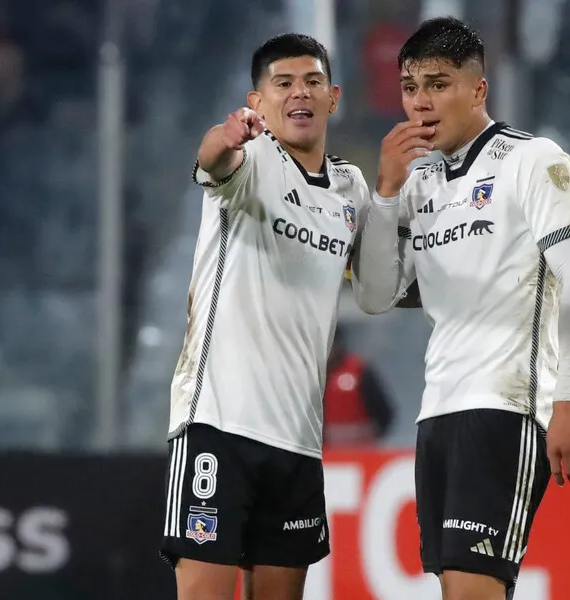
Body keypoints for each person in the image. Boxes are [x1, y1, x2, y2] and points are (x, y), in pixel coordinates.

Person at [352, 17, 570, 600]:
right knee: (460, 590)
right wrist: (386, 192)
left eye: (438, 84)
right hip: (437, 410)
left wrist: (568, 401)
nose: (422, 102)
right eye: (411, 88)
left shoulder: (533, 161)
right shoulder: (418, 185)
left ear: (478, 90)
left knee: (472, 590)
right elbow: (373, 295)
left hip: (506, 405)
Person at [160, 33, 369, 600]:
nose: (299, 93)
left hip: (297, 440)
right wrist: (225, 137)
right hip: (220, 423)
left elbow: (379, 285)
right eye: (283, 84)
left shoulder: (351, 189)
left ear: (334, 97)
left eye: (312, 82)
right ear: (257, 102)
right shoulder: (250, 159)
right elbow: (212, 157)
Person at [323, 325, 395, 446]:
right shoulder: (315, 376)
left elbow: (385, 413)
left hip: (361, 451)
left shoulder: (360, 371)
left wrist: (373, 433)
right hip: (328, 453)